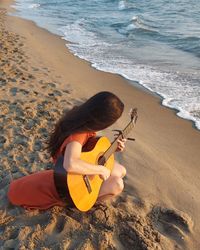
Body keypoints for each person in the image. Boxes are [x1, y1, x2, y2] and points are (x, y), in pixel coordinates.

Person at [8, 91, 127, 210]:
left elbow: (87, 150)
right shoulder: (78, 135)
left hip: (73, 171)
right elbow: (70, 164)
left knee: (120, 170)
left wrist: (113, 147)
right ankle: (81, 202)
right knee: (117, 184)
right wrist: (100, 169)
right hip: (69, 183)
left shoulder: (80, 119)